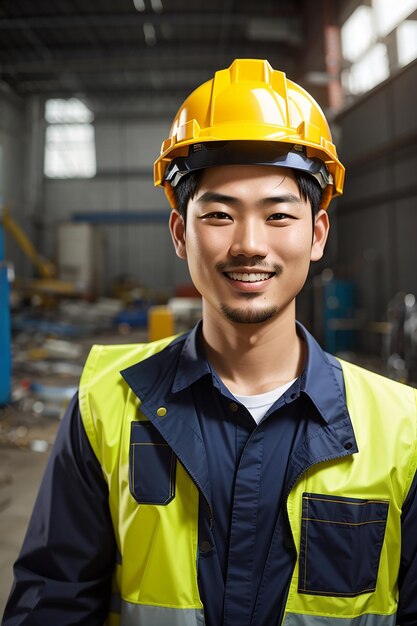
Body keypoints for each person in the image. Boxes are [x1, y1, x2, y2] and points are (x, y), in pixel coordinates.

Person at [3, 58, 417, 626]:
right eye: (220, 214)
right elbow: (53, 602)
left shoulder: (402, 430)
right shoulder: (106, 404)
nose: (249, 244)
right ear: (180, 232)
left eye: (278, 215)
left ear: (316, 234)